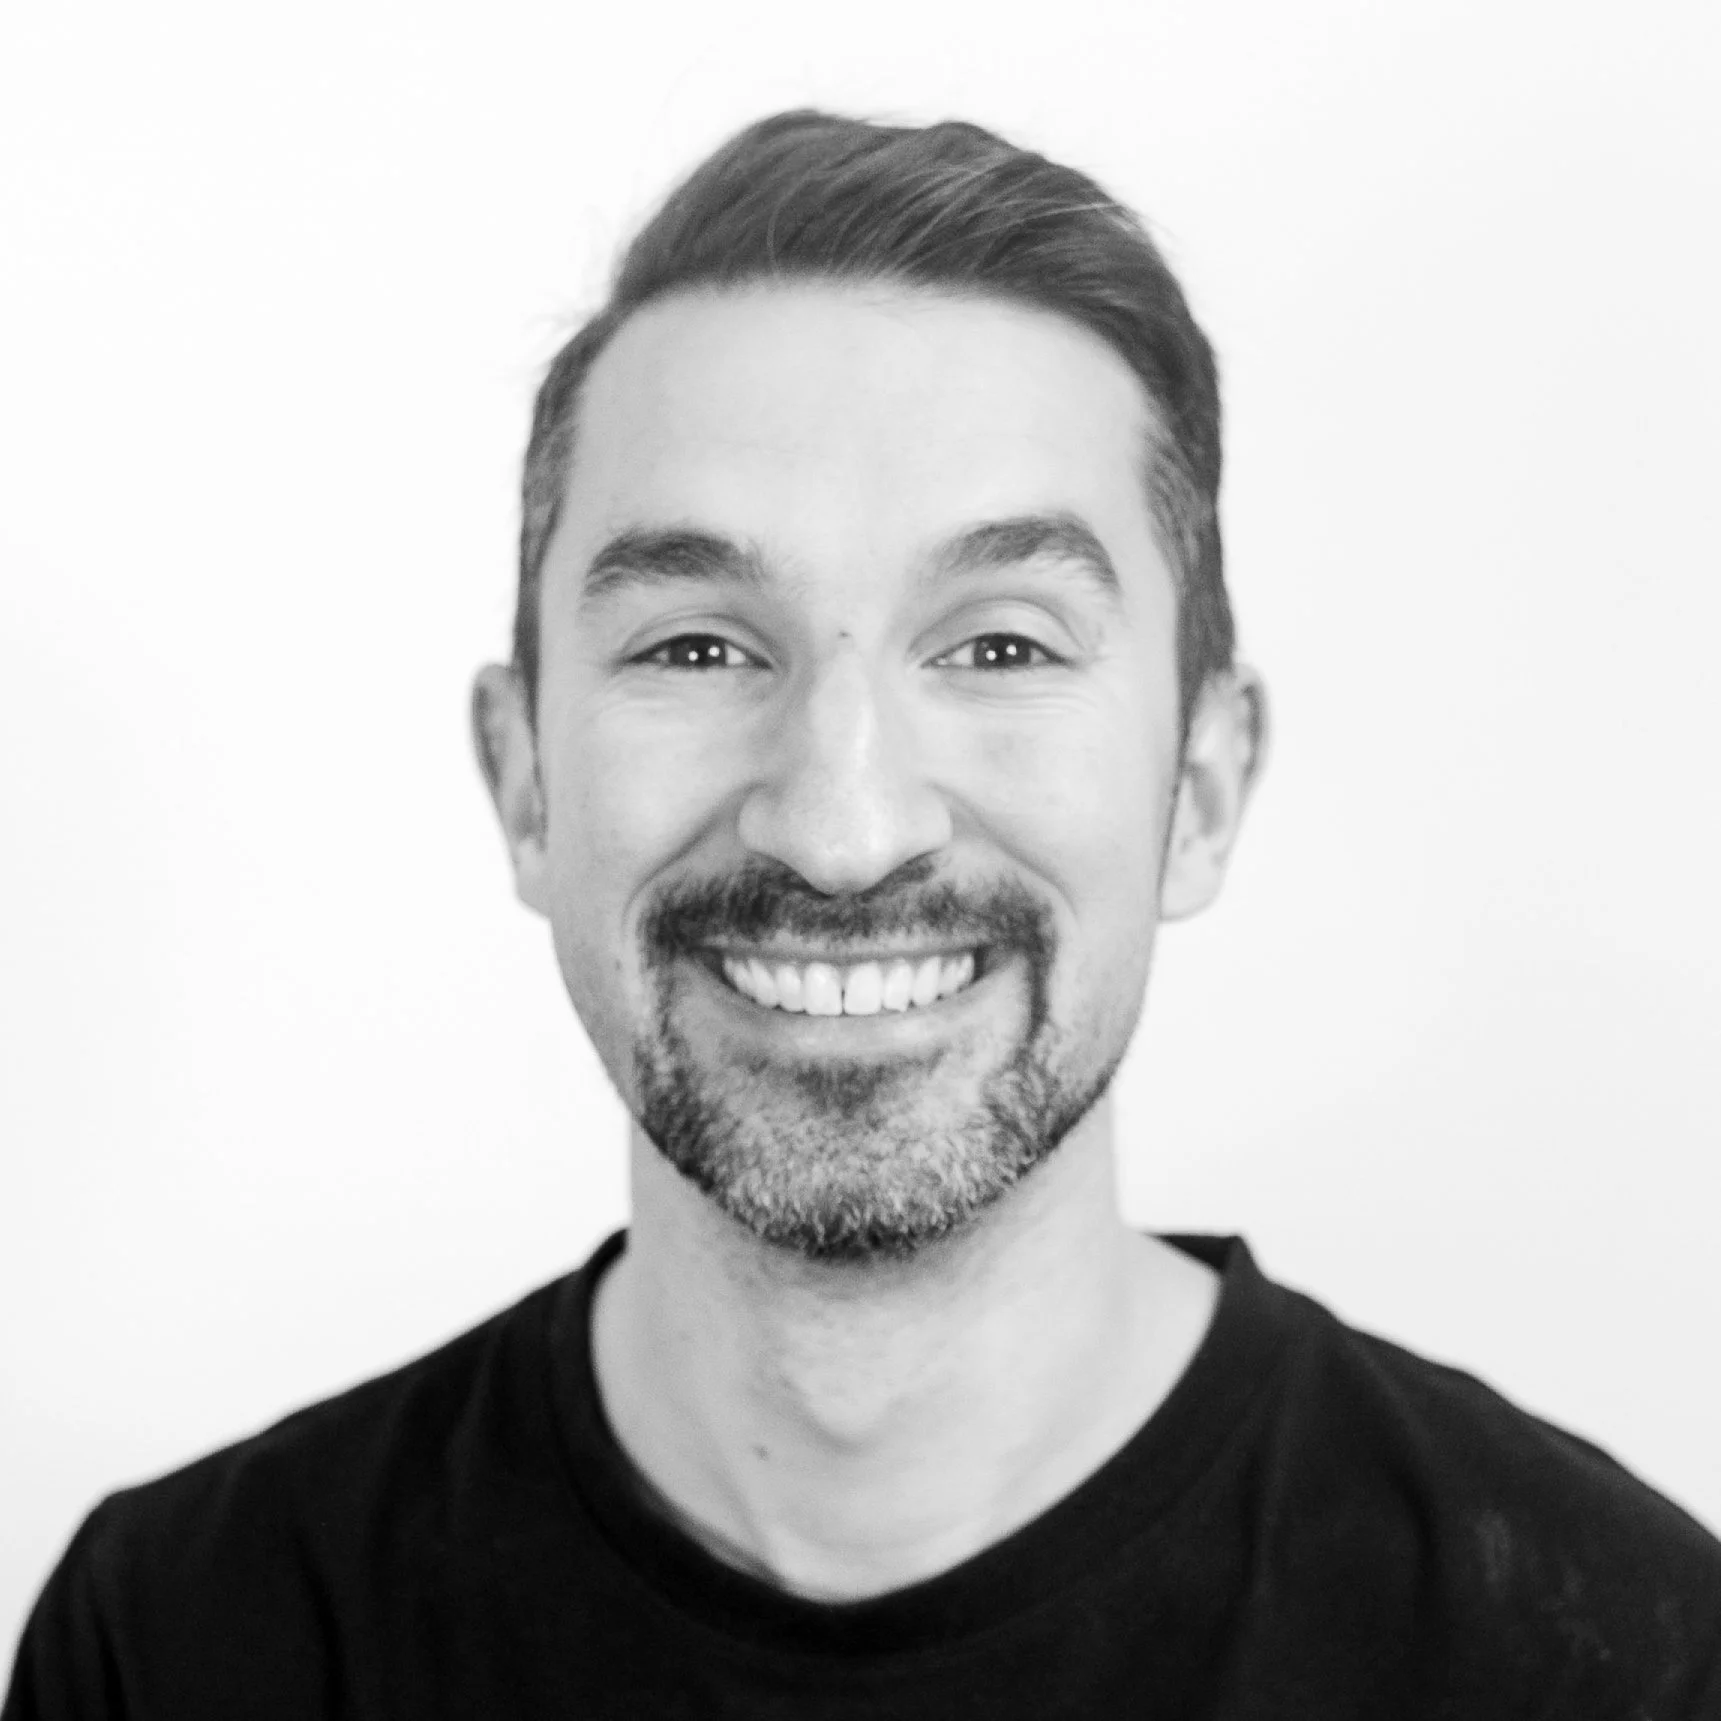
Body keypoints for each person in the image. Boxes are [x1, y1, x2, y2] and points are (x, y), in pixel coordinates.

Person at [6, 108, 1719, 1720]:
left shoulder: (1608, 1659)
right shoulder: (178, 1647)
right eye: (696, 646)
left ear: (1198, 788)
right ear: (526, 781)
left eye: (1000, 646)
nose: (843, 826)